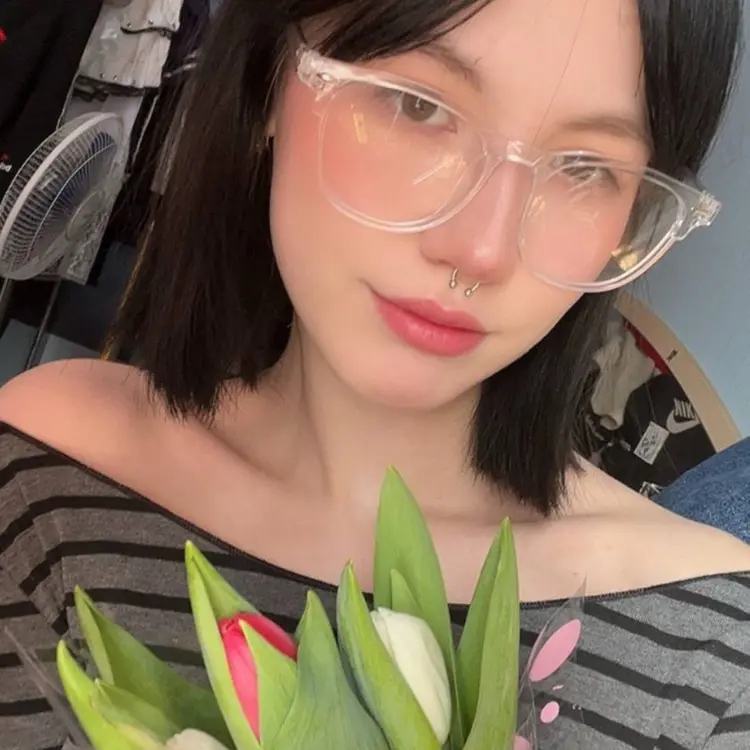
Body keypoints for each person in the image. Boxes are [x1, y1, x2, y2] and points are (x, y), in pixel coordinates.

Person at [0, 0, 748, 747]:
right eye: (416, 104)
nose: (481, 249)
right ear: (268, 76)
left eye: (586, 168)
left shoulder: (715, 655)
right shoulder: (45, 477)